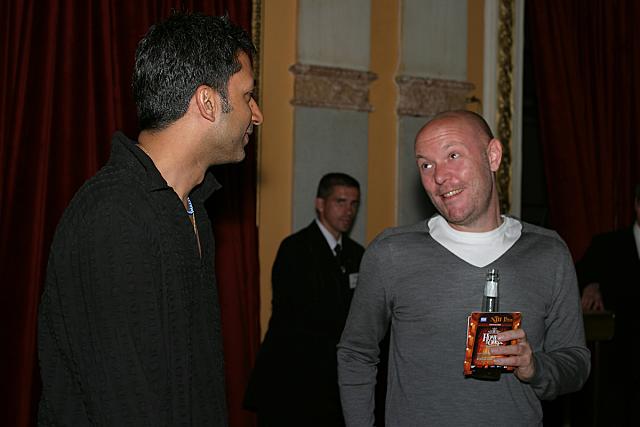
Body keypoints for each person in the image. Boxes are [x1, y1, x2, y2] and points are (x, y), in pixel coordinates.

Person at [37, 12, 263, 425]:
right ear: (207, 102)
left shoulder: (192, 208)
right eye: (248, 96)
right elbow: (127, 405)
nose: (257, 114)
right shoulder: (113, 216)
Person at [337, 110, 590, 426]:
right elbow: (356, 353)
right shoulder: (392, 253)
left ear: (492, 156)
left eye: (453, 155)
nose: (439, 176)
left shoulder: (548, 252)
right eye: (426, 165)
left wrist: (534, 367)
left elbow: (576, 363)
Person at [244, 173, 365, 426]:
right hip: (294, 376)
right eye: (340, 202)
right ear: (320, 204)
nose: (348, 211)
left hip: (333, 380)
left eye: (354, 204)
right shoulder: (295, 249)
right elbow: (297, 314)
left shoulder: (356, 254)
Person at [575, 183, 640, 424]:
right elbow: (578, 277)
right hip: (616, 362)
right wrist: (591, 285)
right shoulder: (608, 244)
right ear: (637, 206)